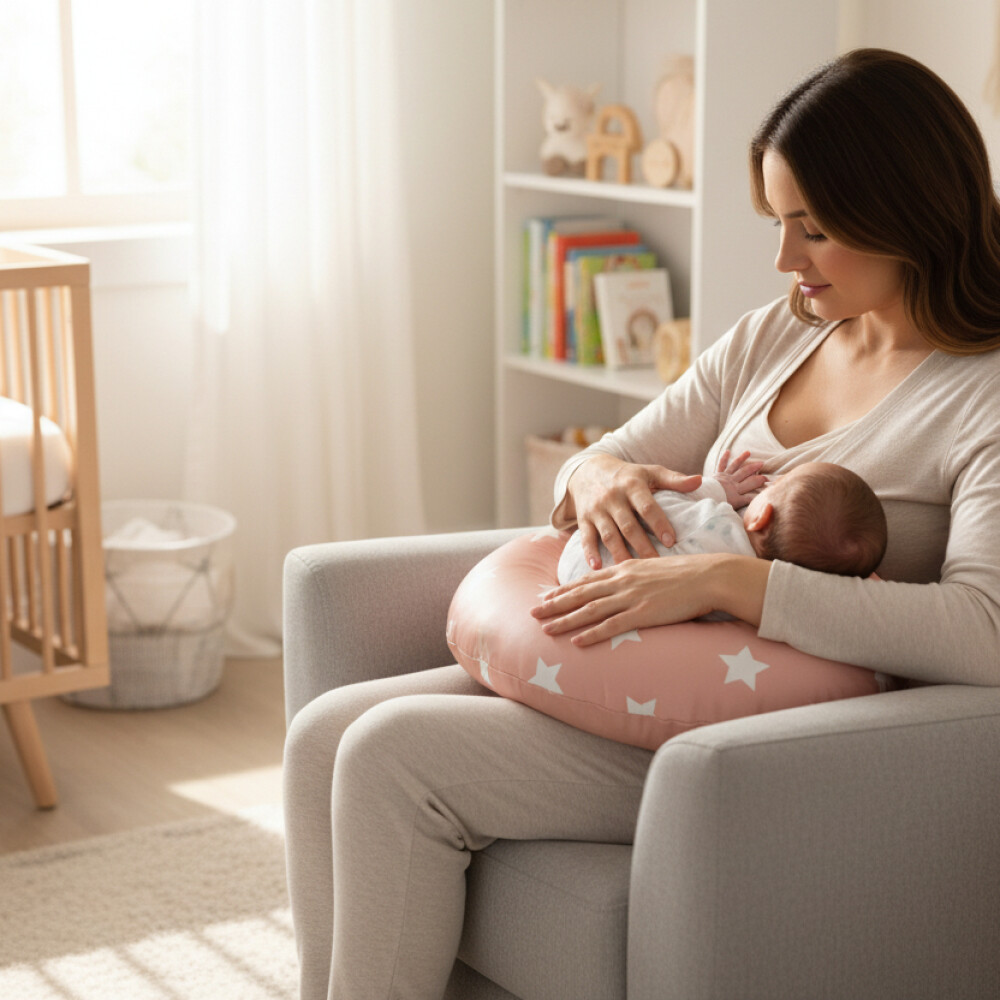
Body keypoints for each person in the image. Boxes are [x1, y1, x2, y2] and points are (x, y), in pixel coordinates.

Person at [283, 49, 1000, 1000]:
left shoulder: (982, 394)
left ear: (906, 213)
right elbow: (595, 460)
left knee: (390, 756)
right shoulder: (778, 333)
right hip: (645, 667)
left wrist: (723, 580)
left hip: (775, 737)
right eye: (778, 222)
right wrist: (606, 474)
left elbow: (986, 632)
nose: (786, 259)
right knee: (324, 733)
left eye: (814, 230)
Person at [557, 451, 888, 589]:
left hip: (586, 564)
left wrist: (716, 489)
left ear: (758, 516)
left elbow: (657, 502)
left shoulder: (713, 521)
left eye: (779, 482)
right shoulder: (753, 592)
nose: (772, 481)